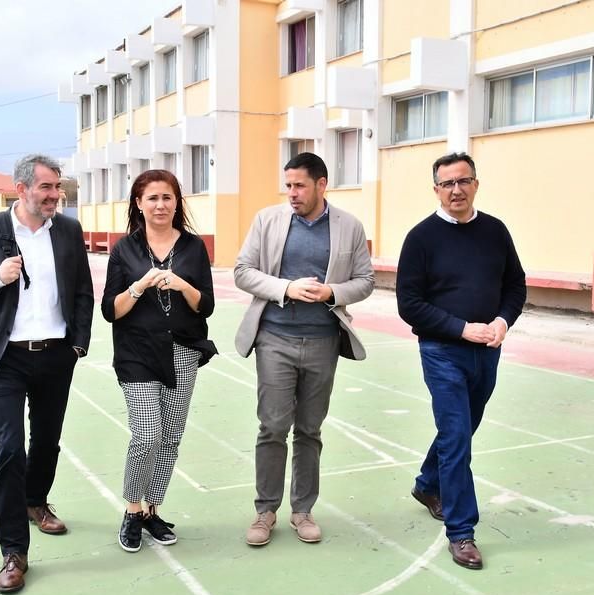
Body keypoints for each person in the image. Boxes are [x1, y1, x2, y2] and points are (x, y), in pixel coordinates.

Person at [0, 154, 94, 593]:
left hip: (55, 355)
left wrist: (78, 343)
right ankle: (14, 552)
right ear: (21, 189)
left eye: (57, 187)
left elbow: (82, 291)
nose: (54, 195)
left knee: (46, 441)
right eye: (46, 187)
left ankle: (35, 501)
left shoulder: (67, 230)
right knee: (9, 450)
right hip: (4, 358)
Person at [234, 152, 374, 547]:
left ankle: (302, 510)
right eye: (288, 185)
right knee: (273, 426)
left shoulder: (349, 226)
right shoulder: (267, 220)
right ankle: (265, 511)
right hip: (274, 339)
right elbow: (243, 271)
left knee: (310, 430)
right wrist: (285, 288)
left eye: (299, 185)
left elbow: (364, 280)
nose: (292, 193)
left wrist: (333, 292)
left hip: (324, 341)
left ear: (321, 184)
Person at [395, 152, 526, 570]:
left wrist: (503, 321)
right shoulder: (421, 238)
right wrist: (461, 328)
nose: (456, 189)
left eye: (463, 181)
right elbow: (409, 304)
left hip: (488, 350)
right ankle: (462, 532)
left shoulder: (495, 231)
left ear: (475, 184)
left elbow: (515, 285)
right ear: (436, 189)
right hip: (442, 351)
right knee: (456, 435)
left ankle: (427, 484)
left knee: (463, 430)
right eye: (447, 183)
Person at [101, 169, 217, 553]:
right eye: (152, 198)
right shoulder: (125, 250)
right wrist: (139, 285)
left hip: (182, 351)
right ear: (138, 203)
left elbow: (207, 306)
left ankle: (152, 510)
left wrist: (183, 285)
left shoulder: (193, 248)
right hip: (137, 353)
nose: (160, 205)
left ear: (177, 202)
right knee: (147, 434)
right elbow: (110, 311)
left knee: (170, 438)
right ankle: (132, 510)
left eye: (167, 197)